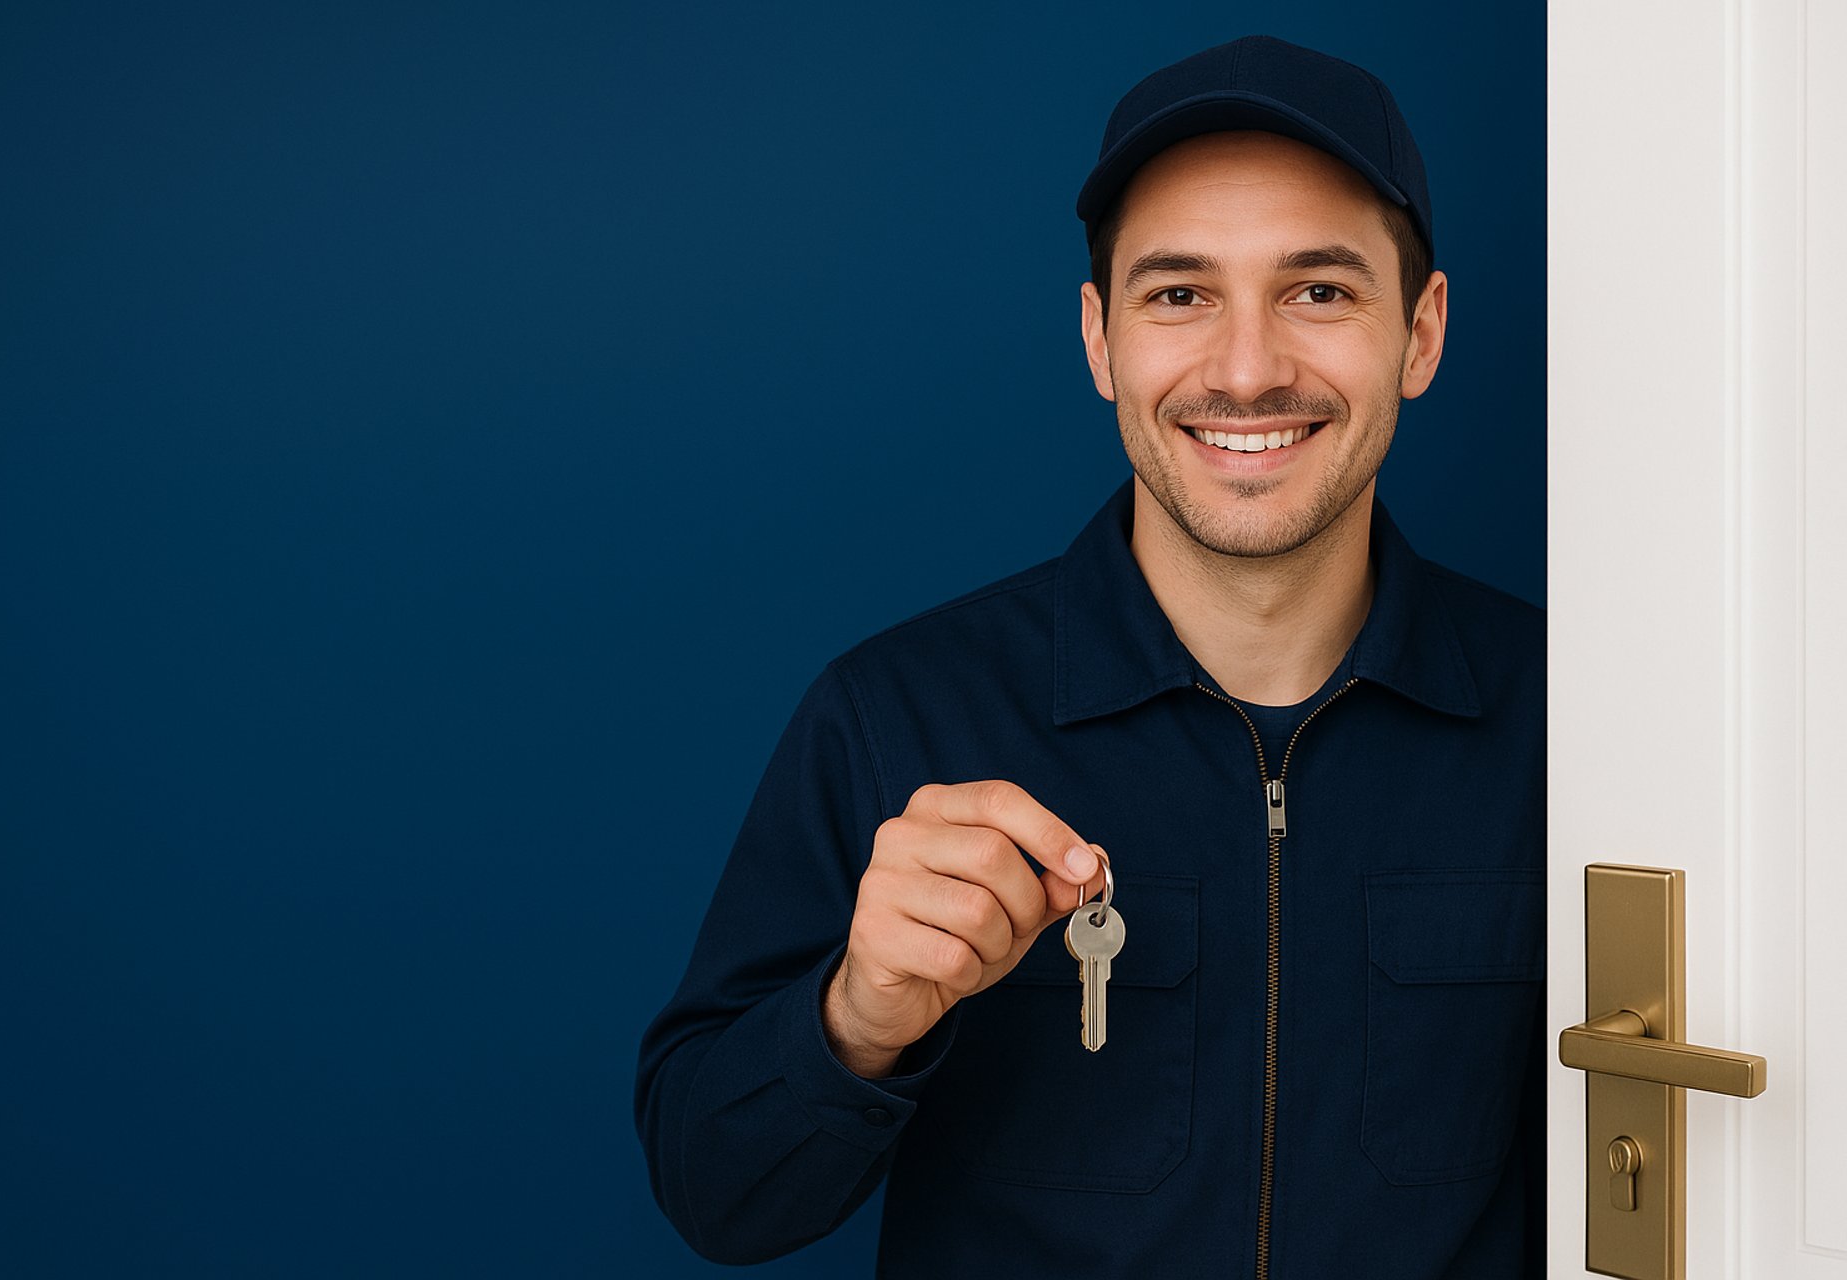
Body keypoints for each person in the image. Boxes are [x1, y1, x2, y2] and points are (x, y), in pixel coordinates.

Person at [634, 34, 1544, 1279]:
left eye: (1319, 292)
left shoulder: (1568, 718)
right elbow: (716, 1193)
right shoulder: (900, 715)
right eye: (1179, 295)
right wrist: (856, 1016)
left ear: (1422, 333)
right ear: (1100, 339)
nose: (1247, 369)